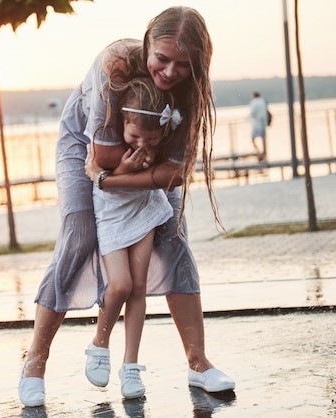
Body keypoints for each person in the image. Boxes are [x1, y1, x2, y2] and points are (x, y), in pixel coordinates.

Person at [18, 6, 235, 408]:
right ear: (148, 41)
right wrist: (107, 175)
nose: (170, 72)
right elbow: (101, 154)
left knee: (172, 237)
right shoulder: (115, 65)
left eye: (184, 65)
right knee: (80, 237)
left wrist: (111, 180)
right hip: (83, 150)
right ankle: (35, 361)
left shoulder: (190, 92)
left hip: (139, 161)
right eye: (162, 58)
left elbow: (175, 175)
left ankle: (198, 362)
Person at [85, 77, 178, 399]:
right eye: (135, 135)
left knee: (138, 287)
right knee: (120, 285)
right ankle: (99, 342)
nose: (142, 144)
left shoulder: (151, 149)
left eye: (151, 139)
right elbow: (96, 175)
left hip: (142, 207)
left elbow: (147, 179)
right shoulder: (106, 142)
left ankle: (131, 366)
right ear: (124, 122)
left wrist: (132, 169)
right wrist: (122, 170)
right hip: (111, 213)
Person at [249, 91, 269, 162]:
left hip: (257, 124)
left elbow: (252, 113)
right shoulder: (263, 101)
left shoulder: (254, 102)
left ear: (254, 96)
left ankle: (259, 153)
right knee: (263, 139)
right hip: (263, 123)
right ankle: (264, 154)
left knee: (253, 139)